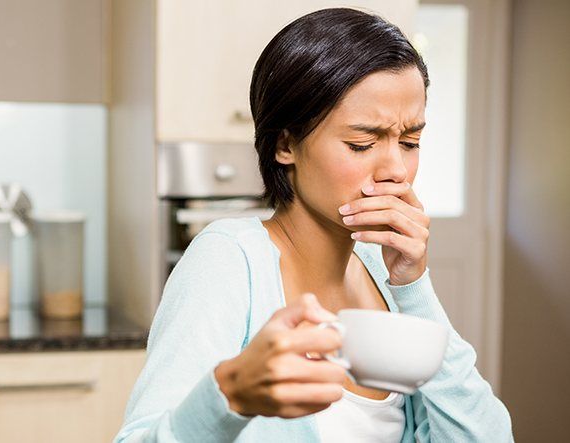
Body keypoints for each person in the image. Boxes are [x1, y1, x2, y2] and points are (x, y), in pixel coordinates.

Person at [115, 8, 513, 442]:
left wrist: (414, 288)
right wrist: (228, 397)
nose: (396, 169)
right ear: (286, 144)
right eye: (362, 144)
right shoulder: (228, 261)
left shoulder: (383, 273)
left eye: (410, 141)